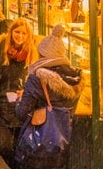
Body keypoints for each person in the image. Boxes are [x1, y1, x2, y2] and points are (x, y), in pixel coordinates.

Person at [15, 24, 84, 169]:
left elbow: (21, 112)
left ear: (42, 54)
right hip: (63, 142)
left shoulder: (37, 78)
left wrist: (18, 100)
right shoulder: (76, 78)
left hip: (40, 144)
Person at [0, 18, 38, 163]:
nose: (20, 36)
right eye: (17, 32)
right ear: (11, 32)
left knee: (21, 150)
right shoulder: (2, 49)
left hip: (23, 107)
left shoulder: (33, 53)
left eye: (23, 33)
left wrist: (25, 92)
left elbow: (36, 80)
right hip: (2, 107)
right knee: (4, 148)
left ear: (28, 36)